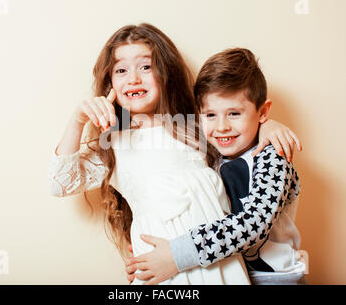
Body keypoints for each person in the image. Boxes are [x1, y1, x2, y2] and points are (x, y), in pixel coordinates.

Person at [47, 24, 300, 284]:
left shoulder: (195, 126)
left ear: (165, 72)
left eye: (146, 67)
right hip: (162, 272)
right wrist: (78, 120)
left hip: (218, 263)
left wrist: (267, 125)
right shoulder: (113, 145)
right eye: (121, 70)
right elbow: (59, 184)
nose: (133, 78)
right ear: (109, 82)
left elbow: (234, 125)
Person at [125, 48, 306, 285]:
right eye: (210, 115)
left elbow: (253, 225)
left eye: (233, 113)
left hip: (274, 279)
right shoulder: (213, 156)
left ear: (262, 112)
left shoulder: (273, 157)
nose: (221, 127)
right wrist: (146, 257)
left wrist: (177, 254)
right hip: (228, 274)